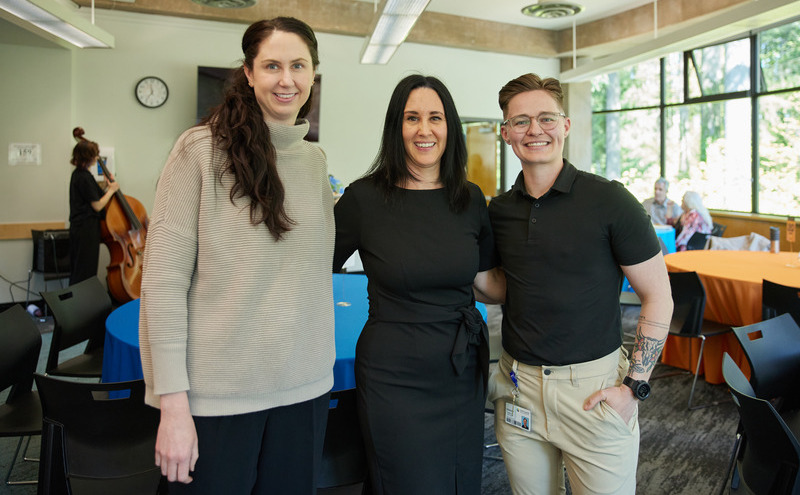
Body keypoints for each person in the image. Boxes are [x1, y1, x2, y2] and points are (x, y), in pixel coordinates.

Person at [139, 17, 334, 494]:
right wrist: (174, 407)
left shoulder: (314, 161)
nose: (286, 79)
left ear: (313, 74)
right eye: (271, 65)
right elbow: (162, 285)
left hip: (305, 391)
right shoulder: (199, 150)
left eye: (298, 66)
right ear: (248, 73)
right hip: (216, 401)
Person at [487, 73, 674, 495]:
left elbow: (658, 296)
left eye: (546, 118)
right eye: (520, 121)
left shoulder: (610, 201)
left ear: (565, 126)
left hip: (594, 393)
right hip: (519, 391)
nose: (535, 130)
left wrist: (634, 387)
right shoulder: (498, 211)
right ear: (506, 134)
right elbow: (503, 287)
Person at [333, 74, 505, 495]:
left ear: (450, 128)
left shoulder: (469, 199)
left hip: (460, 369)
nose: (424, 129)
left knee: (460, 479)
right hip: (395, 375)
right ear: (397, 126)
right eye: (412, 118)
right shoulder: (363, 199)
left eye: (435, 117)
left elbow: (487, 283)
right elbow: (312, 269)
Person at [68, 134, 120, 285]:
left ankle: (80, 305)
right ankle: (81, 306)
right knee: (85, 273)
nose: (97, 157)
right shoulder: (83, 177)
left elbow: (93, 197)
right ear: (88, 156)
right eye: (95, 154)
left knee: (81, 270)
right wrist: (112, 190)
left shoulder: (78, 175)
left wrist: (106, 186)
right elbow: (97, 205)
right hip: (86, 230)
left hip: (81, 229)